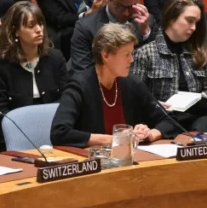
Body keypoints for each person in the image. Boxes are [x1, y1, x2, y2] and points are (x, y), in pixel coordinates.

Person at [51, 24, 179, 147]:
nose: (131, 60)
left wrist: (149, 134)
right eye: (126, 54)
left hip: (130, 156)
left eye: (131, 53)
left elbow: (170, 121)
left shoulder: (132, 83)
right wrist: (115, 139)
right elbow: (59, 132)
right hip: (92, 158)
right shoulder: (79, 86)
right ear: (106, 55)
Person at [130, 0, 207, 132]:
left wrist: (203, 100)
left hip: (196, 119)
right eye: (189, 21)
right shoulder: (145, 53)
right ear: (172, 18)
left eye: (196, 22)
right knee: (167, 126)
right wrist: (156, 105)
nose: (194, 28)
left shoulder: (198, 52)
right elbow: (135, 98)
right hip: (162, 119)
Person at [0, 2, 69, 143]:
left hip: (55, 131)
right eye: (31, 26)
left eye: (40, 24)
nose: (39, 30)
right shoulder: (1, 66)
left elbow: (67, 99)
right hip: (19, 136)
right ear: (16, 31)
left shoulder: (55, 58)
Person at [70, 0, 156, 72]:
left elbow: (156, 64)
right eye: (120, 7)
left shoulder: (147, 21)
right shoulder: (86, 28)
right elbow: (82, 72)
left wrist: (146, 33)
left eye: (132, 6)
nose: (127, 13)